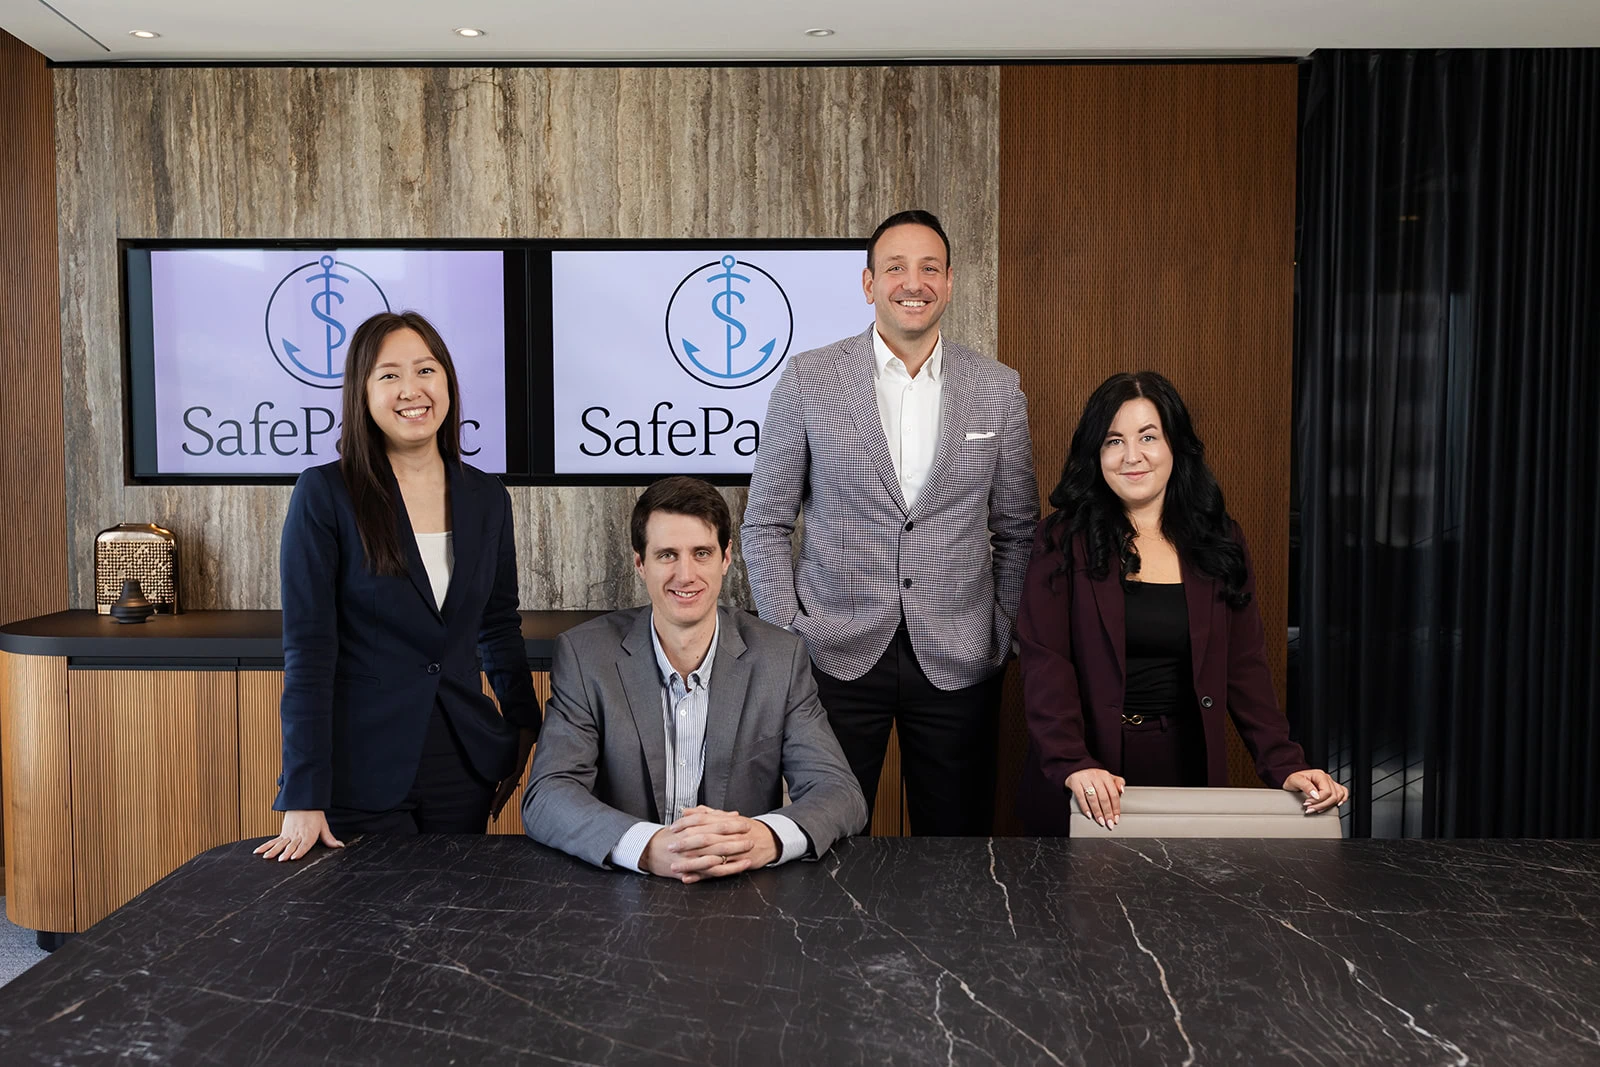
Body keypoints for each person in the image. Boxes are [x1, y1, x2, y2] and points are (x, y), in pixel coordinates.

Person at [741, 210, 1038, 836]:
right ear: (869, 283)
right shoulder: (808, 378)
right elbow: (764, 523)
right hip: (834, 652)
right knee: (824, 842)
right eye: (896, 267)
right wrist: (790, 630)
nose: (914, 281)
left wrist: (1001, 628)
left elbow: (1018, 530)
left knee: (958, 848)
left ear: (951, 283)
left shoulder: (997, 389)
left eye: (930, 268)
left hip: (959, 656)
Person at [256, 311, 540, 860]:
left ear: (448, 384)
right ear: (361, 393)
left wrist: (525, 731)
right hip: (361, 765)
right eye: (388, 375)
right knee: (369, 933)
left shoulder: (487, 497)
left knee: (455, 925)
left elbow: (499, 624)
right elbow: (309, 652)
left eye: (426, 370)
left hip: (464, 762)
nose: (412, 390)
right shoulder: (325, 494)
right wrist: (304, 791)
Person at [1016, 370, 1348, 833]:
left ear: (1175, 445)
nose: (1132, 456)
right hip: (1088, 774)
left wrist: (1284, 763)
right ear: (1096, 453)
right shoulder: (1061, 539)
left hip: (1187, 766)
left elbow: (1244, 666)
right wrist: (1074, 762)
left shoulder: (1218, 540)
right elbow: (1045, 662)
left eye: (1148, 437)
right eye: (1114, 441)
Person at [523, 476, 866, 881]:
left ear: (725, 558)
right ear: (640, 563)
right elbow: (547, 794)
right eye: (667, 555)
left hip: (742, 889)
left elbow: (841, 793)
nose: (685, 574)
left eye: (701, 553)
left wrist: (762, 838)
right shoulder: (586, 657)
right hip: (622, 890)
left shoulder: (780, 658)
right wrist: (647, 848)